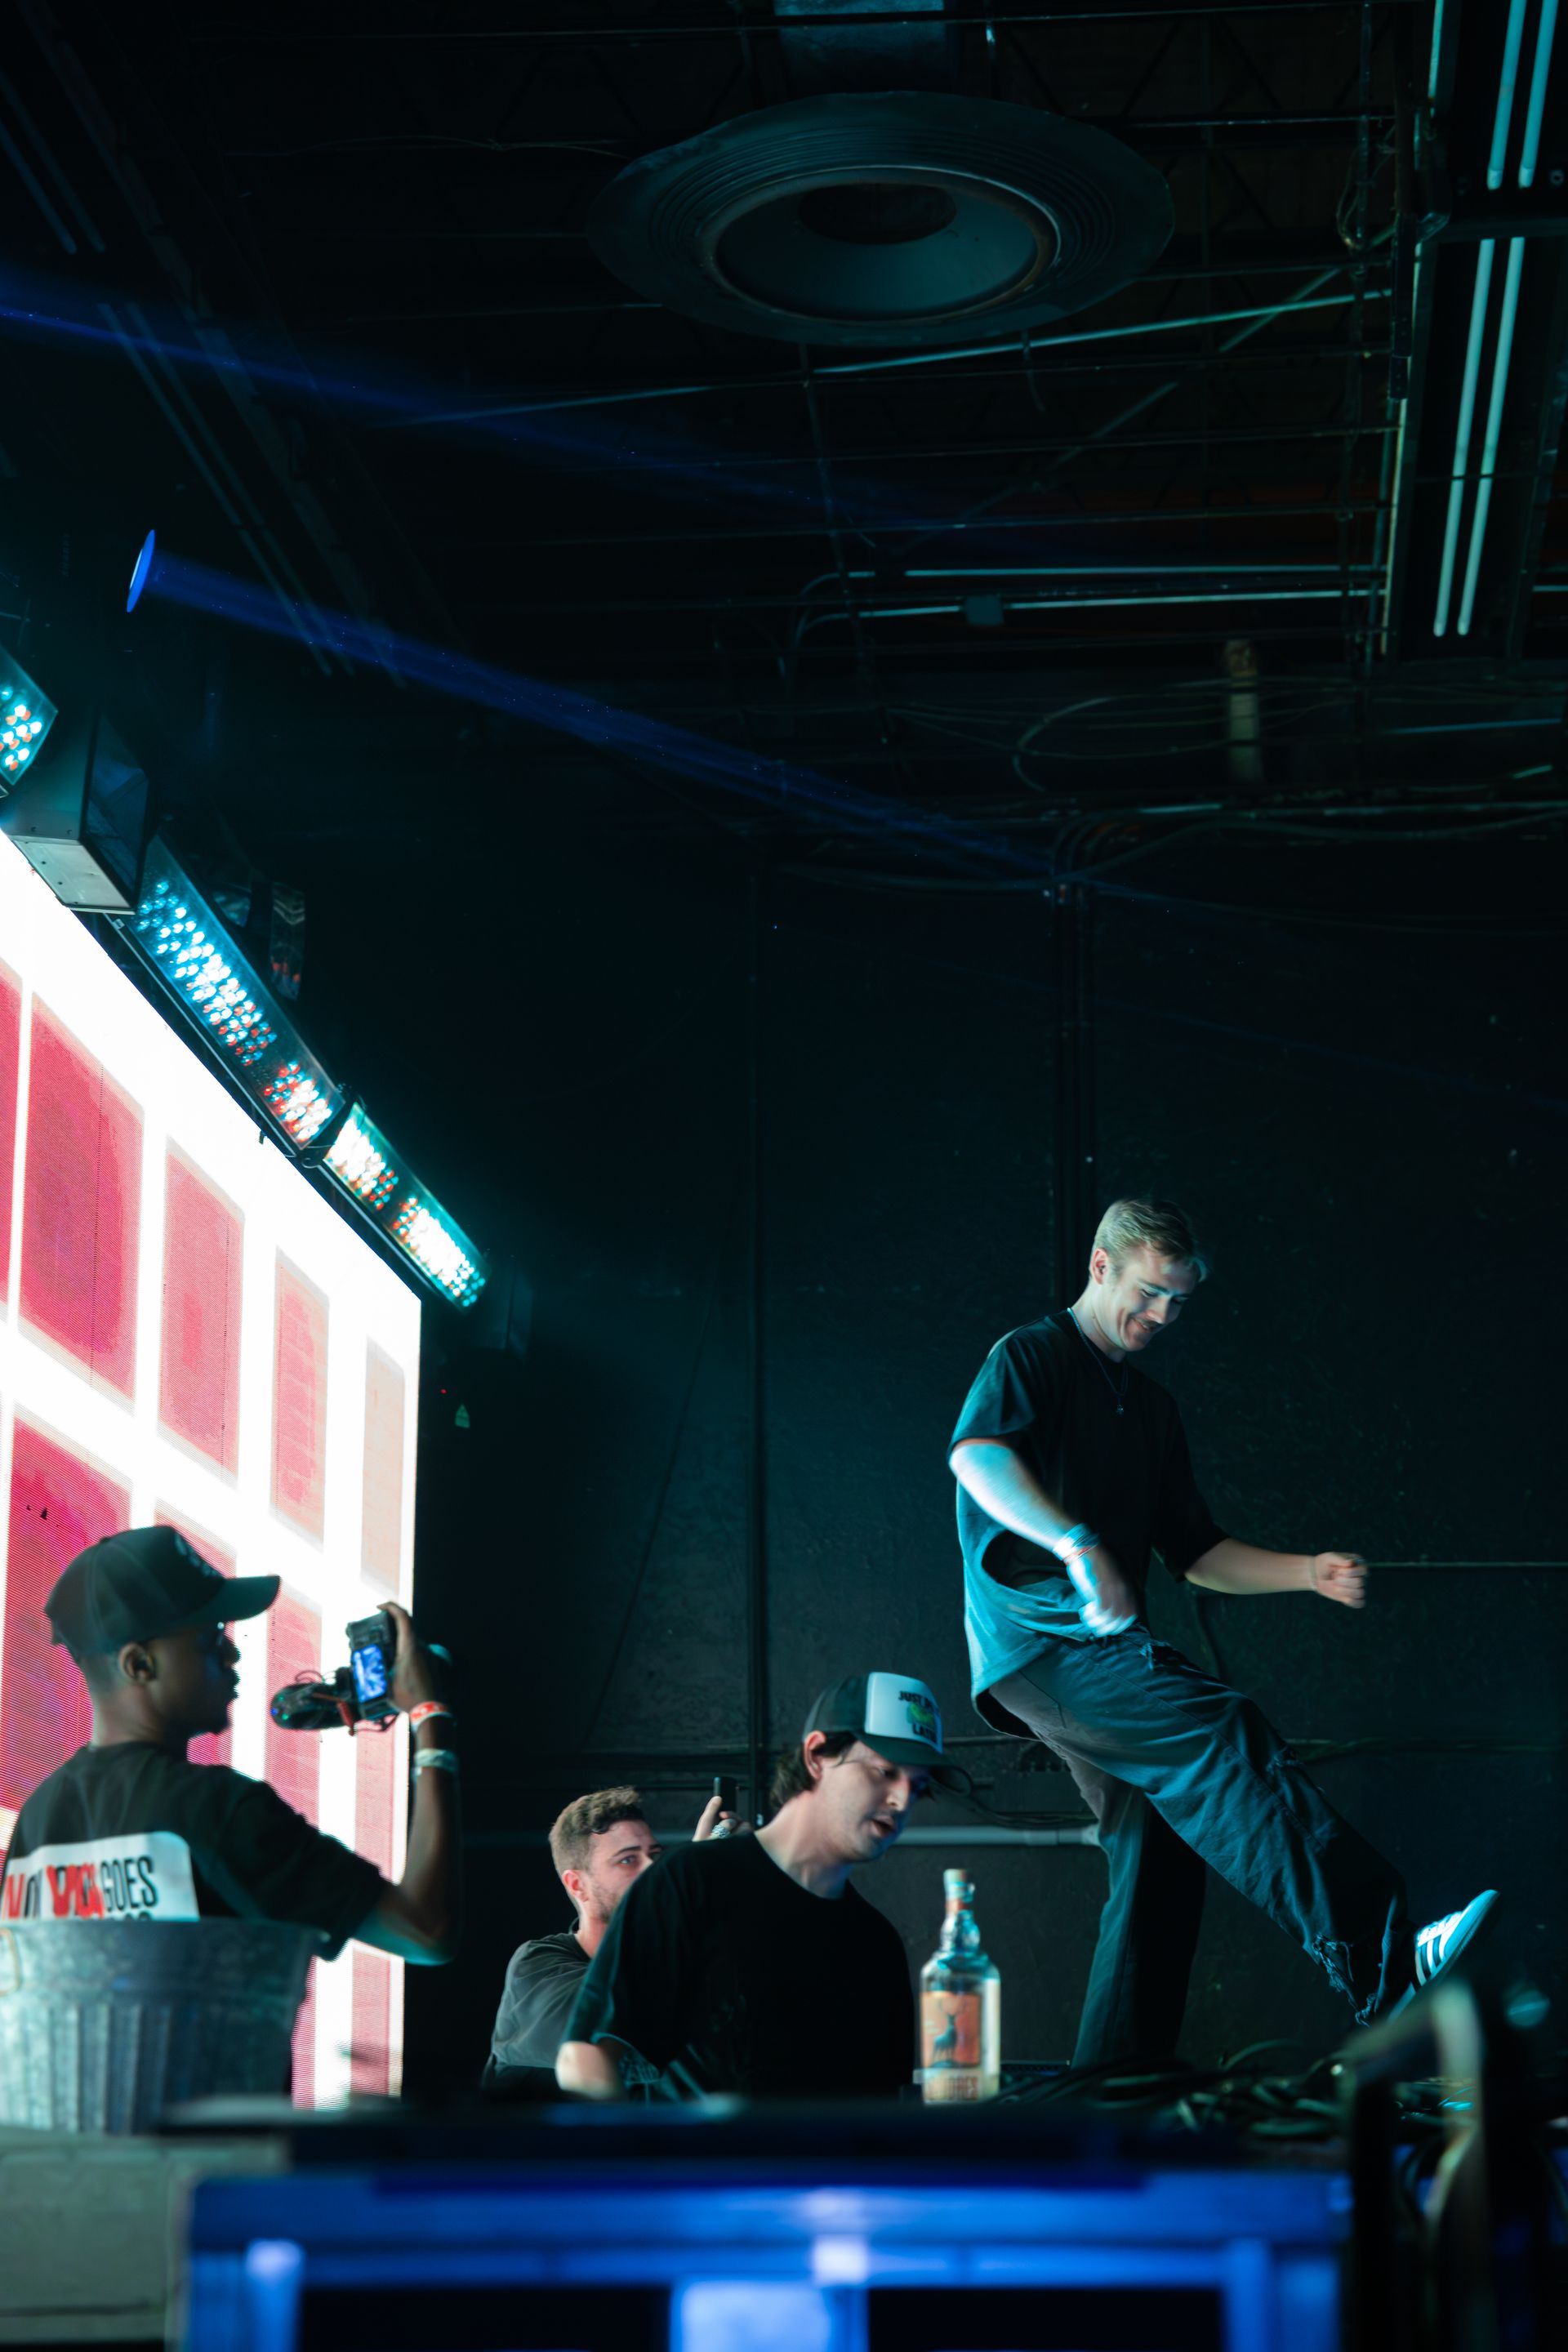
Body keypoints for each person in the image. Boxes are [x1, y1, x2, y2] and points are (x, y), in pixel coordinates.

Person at [949, 1197, 1494, 2068]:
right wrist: (1076, 1542)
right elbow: (976, 1456)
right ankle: (1387, 1963)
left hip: (1087, 1657)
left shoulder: (1152, 1410)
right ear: (1100, 1267)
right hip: (1048, 1641)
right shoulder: (1033, 1356)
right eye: (1150, 1292)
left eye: (1180, 1302)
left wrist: (1304, 1570)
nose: (1163, 1316)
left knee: (1161, 1851)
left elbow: (1196, 1551)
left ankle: (1112, 2092)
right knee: (1220, 1731)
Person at [0, 1526, 461, 1967]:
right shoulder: (217, 1808)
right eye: (209, 1637)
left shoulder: (39, 1815)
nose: (231, 1652)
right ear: (140, 1664)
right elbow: (425, 1931)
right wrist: (430, 1717)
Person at [555, 1673, 947, 2101]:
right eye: (885, 1771)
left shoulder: (876, 1945)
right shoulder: (691, 1882)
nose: (902, 1800)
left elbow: (880, 2109)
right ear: (817, 1755)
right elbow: (587, 2058)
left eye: (918, 1785)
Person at [483, 1782, 733, 2098]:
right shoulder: (537, 1966)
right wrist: (689, 1884)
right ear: (577, 1886)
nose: (654, 1871)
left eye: (656, 1856)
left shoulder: (676, 1965)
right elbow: (614, 2015)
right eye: (628, 1860)